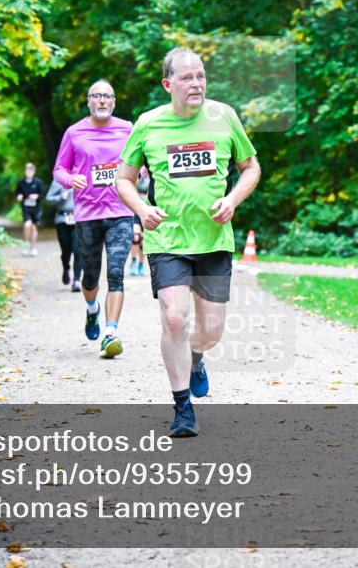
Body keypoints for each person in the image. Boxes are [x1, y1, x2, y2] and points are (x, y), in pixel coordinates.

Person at [116, 47, 260, 437]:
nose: (196, 83)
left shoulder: (224, 116)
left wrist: (232, 199)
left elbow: (251, 167)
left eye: (200, 76)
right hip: (167, 239)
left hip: (214, 239)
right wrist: (142, 209)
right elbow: (123, 179)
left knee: (210, 331)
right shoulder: (148, 124)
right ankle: (182, 409)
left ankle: (197, 358)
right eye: (186, 77)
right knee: (175, 316)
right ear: (168, 85)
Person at [53, 79, 135, 359]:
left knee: (115, 273)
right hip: (87, 215)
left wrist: (142, 173)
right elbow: (59, 170)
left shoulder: (128, 129)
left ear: (114, 101)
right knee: (90, 276)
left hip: (121, 212)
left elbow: (141, 161)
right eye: (96, 96)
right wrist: (70, 178)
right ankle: (92, 310)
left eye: (107, 96)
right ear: (89, 101)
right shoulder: (74, 132)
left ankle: (111, 333)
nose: (102, 100)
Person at [45, 179, 82, 292]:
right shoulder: (58, 181)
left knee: (78, 250)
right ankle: (66, 268)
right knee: (66, 251)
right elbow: (48, 199)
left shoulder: (81, 177)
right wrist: (60, 197)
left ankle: (76, 280)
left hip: (78, 218)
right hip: (62, 220)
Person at [15, 163, 43, 257]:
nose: (29, 172)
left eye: (31, 170)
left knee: (34, 227)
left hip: (36, 208)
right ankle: (26, 244)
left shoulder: (38, 182)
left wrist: (37, 196)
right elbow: (17, 193)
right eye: (27, 170)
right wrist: (19, 196)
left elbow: (42, 194)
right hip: (26, 208)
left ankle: (33, 248)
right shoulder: (21, 182)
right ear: (25, 171)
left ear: (34, 171)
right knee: (27, 225)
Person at [128, 167, 150, 277]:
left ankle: (141, 264)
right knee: (136, 237)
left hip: (149, 210)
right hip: (136, 209)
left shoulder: (153, 174)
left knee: (144, 241)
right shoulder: (136, 172)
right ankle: (133, 261)